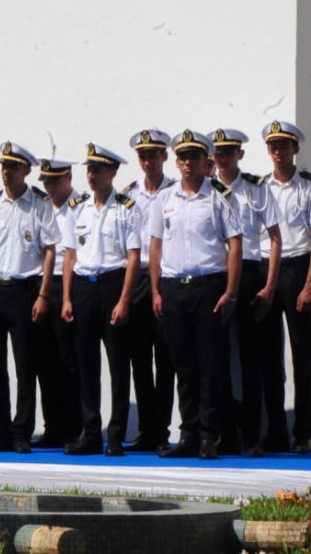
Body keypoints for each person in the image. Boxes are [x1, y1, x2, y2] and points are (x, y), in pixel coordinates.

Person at [147, 131, 242, 460]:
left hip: (208, 286)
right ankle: (188, 433)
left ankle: (208, 436)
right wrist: (156, 290)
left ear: (206, 161)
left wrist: (231, 291)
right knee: (183, 365)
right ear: (177, 162)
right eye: (183, 157)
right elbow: (155, 246)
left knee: (209, 366)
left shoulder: (220, 197)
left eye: (194, 157)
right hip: (174, 287)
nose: (188, 162)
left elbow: (235, 244)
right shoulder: (165, 198)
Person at [0, 142, 58, 454]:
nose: (6, 172)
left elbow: (50, 251)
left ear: (26, 170)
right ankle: (1, 430)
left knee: (25, 366)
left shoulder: (40, 204)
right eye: (3, 166)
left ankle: (21, 431)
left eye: (12, 167)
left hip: (24, 290)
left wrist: (43, 293)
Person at [60, 143, 140, 456]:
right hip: (83, 288)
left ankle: (116, 435)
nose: (92, 175)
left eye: (99, 169)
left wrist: (124, 300)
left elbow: (133, 258)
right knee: (86, 364)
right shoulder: (78, 207)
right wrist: (67, 298)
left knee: (118, 364)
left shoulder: (126, 207)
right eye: (90, 169)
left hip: (112, 286)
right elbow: (70, 256)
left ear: (113, 172)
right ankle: (91, 433)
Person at [260, 119, 311, 455]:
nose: (278, 152)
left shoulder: (309, 187)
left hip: (298, 268)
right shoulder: (261, 188)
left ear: (295, 149)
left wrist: (310, 284)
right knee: (269, 355)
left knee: (302, 355)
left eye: (284, 146)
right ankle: (275, 430)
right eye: (273, 146)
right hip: (267, 270)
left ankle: (302, 433)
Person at [210, 128, 282, 457]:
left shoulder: (255, 188)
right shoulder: (207, 190)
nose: (223, 158)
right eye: (218, 153)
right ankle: (226, 434)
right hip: (216, 275)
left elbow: (276, 238)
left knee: (251, 359)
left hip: (251, 273)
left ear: (239, 154)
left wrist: (270, 285)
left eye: (229, 152)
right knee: (218, 359)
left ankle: (252, 436)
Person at [123, 128, 176, 453]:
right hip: (137, 278)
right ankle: (146, 430)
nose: (147, 161)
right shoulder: (130, 194)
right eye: (142, 156)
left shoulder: (174, 191)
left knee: (166, 360)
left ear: (164, 157)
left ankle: (162, 431)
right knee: (139, 360)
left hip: (165, 279)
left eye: (153, 155)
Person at [33, 158, 83, 448]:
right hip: (42, 285)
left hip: (69, 285)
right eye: (46, 181)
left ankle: (72, 428)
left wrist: (66, 296)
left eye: (55, 180)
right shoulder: (40, 206)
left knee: (69, 361)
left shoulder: (80, 206)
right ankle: (51, 426)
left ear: (68, 178)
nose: (50, 186)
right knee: (44, 361)